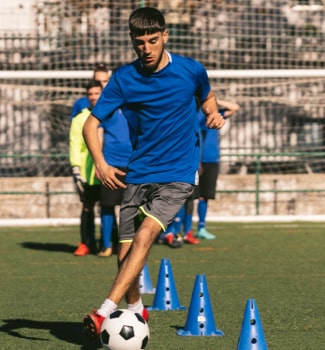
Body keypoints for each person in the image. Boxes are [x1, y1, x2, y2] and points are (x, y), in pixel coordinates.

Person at [81, 7, 225, 340]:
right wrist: (100, 164)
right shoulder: (123, 78)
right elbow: (91, 124)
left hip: (178, 173)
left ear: (165, 37)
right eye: (139, 41)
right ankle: (134, 312)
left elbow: (207, 96)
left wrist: (213, 113)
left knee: (146, 235)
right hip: (139, 173)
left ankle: (102, 312)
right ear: (132, 40)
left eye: (152, 40)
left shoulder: (191, 70)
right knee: (124, 255)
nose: (146, 48)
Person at [194, 99, 240, 240]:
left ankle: (201, 227)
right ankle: (176, 230)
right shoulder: (196, 115)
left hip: (212, 160)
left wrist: (217, 101)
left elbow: (235, 107)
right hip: (196, 160)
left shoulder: (217, 114)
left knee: (205, 196)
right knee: (187, 197)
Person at [69, 80, 104, 256]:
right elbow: (75, 145)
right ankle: (85, 243)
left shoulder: (111, 114)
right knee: (87, 207)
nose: (93, 97)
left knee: (109, 208)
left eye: (96, 93)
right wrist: (76, 169)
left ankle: (109, 243)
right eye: (90, 94)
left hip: (107, 171)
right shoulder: (79, 118)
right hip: (87, 173)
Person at [97, 106, 132, 257]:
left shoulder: (137, 103)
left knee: (132, 206)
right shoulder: (108, 106)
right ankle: (107, 245)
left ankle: (129, 244)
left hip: (133, 163)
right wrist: (99, 164)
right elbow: (98, 134)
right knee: (107, 204)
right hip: (110, 164)